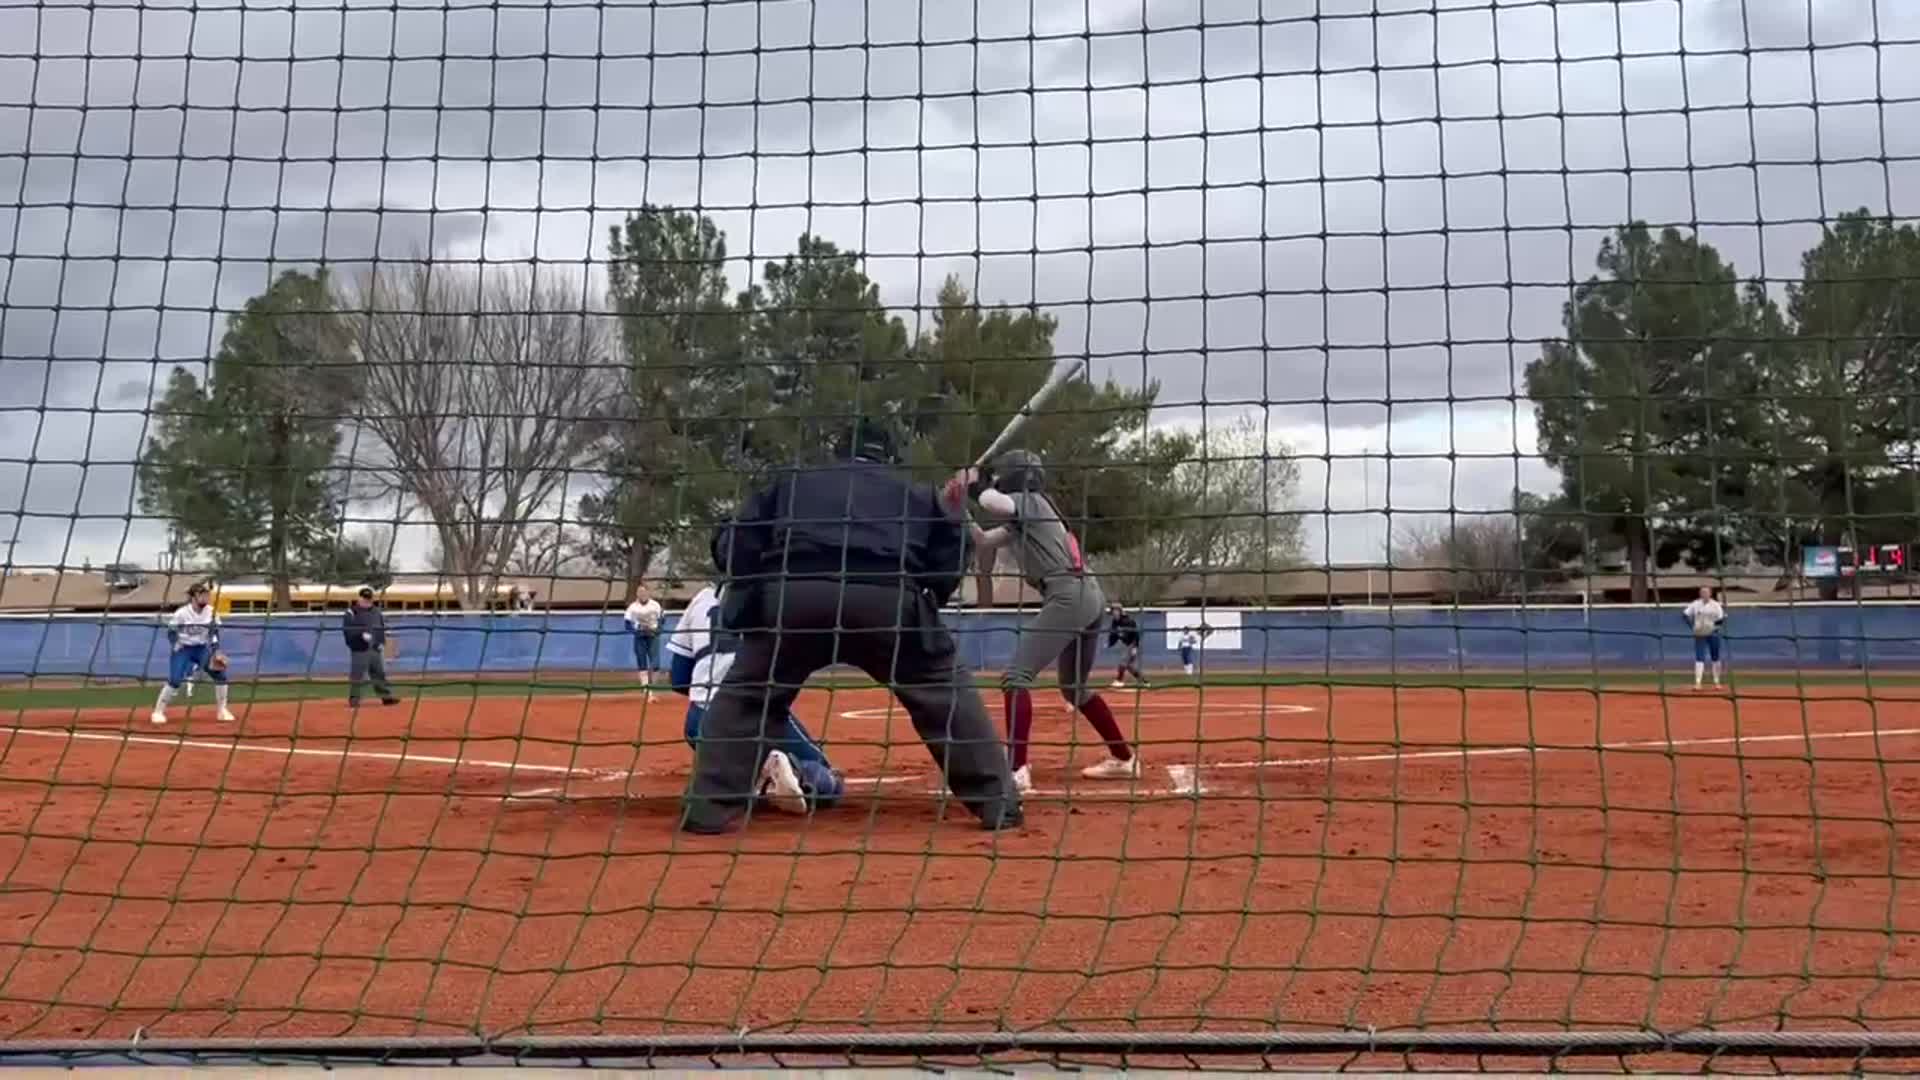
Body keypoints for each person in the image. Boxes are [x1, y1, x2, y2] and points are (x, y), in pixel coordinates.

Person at [679, 418, 1023, 834]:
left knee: (749, 697)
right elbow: (947, 562)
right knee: (945, 692)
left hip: (795, 596)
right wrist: (949, 516)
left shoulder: (792, 481)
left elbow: (736, 543)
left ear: (840, 451)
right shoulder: (915, 494)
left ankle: (707, 811)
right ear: (890, 456)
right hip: (888, 600)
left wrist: (757, 596)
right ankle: (998, 805)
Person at [963, 449, 1139, 793]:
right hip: (1087, 595)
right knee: (1073, 687)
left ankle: (1017, 771)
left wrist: (974, 485)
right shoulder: (1025, 517)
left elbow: (993, 502)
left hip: (1068, 594)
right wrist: (959, 505)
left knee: (1016, 677)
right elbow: (982, 539)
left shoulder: (1032, 501)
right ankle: (1124, 758)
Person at [666, 580, 844, 815]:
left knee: (726, 755)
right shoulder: (781, 595)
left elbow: (679, 678)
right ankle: (780, 769)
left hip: (700, 722)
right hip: (756, 712)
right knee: (827, 781)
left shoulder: (701, 599)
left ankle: (748, 773)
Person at [151, 582, 234, 725]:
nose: (205, 597)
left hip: (201, 649)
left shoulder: (211, 611)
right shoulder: (182, 613)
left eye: (206, 594)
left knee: (220, 675)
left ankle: (222, 711)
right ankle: (158, 712)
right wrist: (175, 643)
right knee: (175, 680)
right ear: (193, 597)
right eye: (201, 594)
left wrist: (216, 651)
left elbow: (214, 633)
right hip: (183, 649)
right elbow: (171, 631)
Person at [343, 586, 401, 708]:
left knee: (379, 673)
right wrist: (360, 635)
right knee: (358, 674)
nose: (367, 601)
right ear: (359, 598)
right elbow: (347, 629)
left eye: (369, 599)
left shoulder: (376, 611)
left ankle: (387, 697)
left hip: (375, 646)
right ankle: (354, 699)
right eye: (364, 599)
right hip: (359, 647)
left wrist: (381, 642)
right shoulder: (351, 612)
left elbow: (380, 627)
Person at [1682, 585, 1727, 690]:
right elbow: (1685, 614)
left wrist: (1714, 626)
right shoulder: (1695, 604)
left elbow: (1721, 618)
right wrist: (1692, 626)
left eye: (1706, 592)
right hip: (1700, 634)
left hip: (1713, 634)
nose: (1704, 594)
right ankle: (1698, 683)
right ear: (1700, 593)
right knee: (1699, 657)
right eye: (1702, 592)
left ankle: (1717, 682)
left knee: (1715, 657)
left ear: (1710, 593)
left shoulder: (1716, 605)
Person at [624, 585, 664, 689]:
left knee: (655, 663)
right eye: (639, 592)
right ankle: (646, 688)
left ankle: (654, 687)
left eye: (644, 591)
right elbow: (627, 624)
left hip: (652, 636)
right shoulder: (632, 607)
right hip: (640, 636)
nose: (642, 594)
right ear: (637, 594)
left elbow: (662, 619)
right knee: (641, 661)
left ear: (648, 593)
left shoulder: (655, 605)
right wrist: (635, 632)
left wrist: (658, 630)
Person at [1107, 603, 1149, 688]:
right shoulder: (1115, 622)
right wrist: (1109, 644)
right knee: (1129, 666)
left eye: (1115, 611)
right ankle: (1144, 682)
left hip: (1132, 643)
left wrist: (1135, 647)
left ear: (1119, 611)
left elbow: (1136, 634)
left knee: (1123, 662)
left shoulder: (1128, 621)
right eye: (1112, 611)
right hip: (1125, 644)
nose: (1113, 613)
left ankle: (1119, 680)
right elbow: (1113, 635)